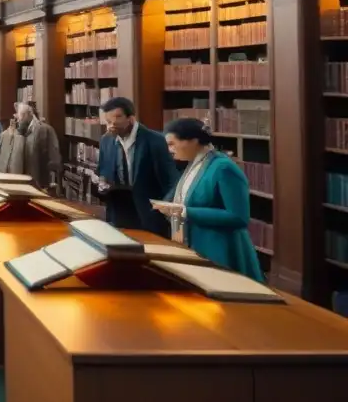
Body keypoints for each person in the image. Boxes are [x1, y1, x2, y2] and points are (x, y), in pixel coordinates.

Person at [155, 118, 264, 281]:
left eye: (172, 144)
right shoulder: (193, 164)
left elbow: (239, 217)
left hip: (219, 249)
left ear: (193, 141)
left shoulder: (223, 168)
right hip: (194, 244)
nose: (169, 150)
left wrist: (185, 212)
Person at [97, 96, 177, 237]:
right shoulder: (106, 140)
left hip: (149, 213)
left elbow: (171, 180)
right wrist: (102, 182)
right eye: (109, 121)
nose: (112, 124)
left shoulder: (155, 140)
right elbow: (103, 171)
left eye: (117, 118)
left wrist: (164, 209)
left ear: (131, 118)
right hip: (119, 212)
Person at [0, 101, 61, 190]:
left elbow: (55, 161)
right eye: (19, 115)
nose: (19, 119)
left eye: (22, 115)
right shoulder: (20, 133)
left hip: (38, 185)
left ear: (29, 114)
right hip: (22, 184)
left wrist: (45, 179)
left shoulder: (44, 130)